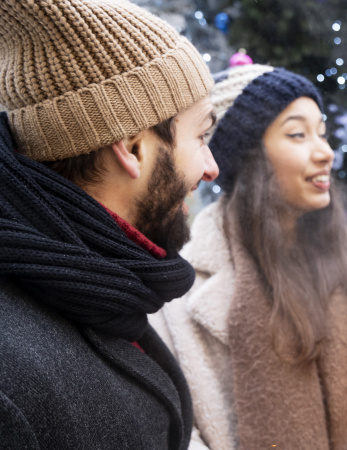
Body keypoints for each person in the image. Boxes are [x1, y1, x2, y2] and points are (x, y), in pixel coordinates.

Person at [0, 0, 219, 448]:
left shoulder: (103, 292)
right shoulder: (12, 380)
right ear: (133, 148)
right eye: (200, 136)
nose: (211, 167)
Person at [150, 64, 347, 449]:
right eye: (297, 134)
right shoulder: (180, 283)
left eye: (321, 134)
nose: (325, 153)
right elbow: (172, 428)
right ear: (248, 154)